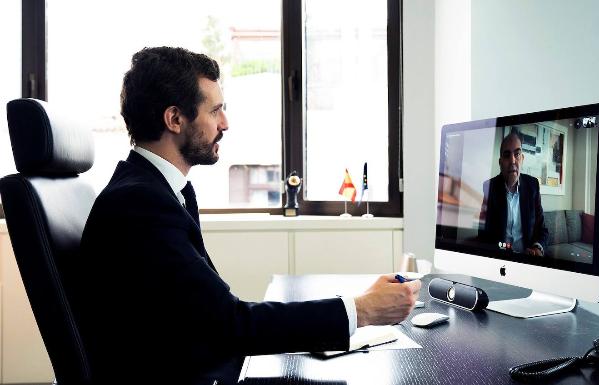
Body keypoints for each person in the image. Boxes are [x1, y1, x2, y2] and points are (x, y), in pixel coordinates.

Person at [75, 47, 421, 385]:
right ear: (175, 119)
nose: (225, 123)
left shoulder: (156, 191)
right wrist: (363, 310)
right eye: (215, 111)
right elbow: (229, 326)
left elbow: (212, 316)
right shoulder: (141, 204)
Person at [478, 131, 548, 256]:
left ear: (522, 158)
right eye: (507, 155)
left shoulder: (533, 186)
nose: (512, 161)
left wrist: (538, 248)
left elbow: (542, 230)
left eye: (517, 154)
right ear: (500, 163)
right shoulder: (490, 187)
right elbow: (484, 233)